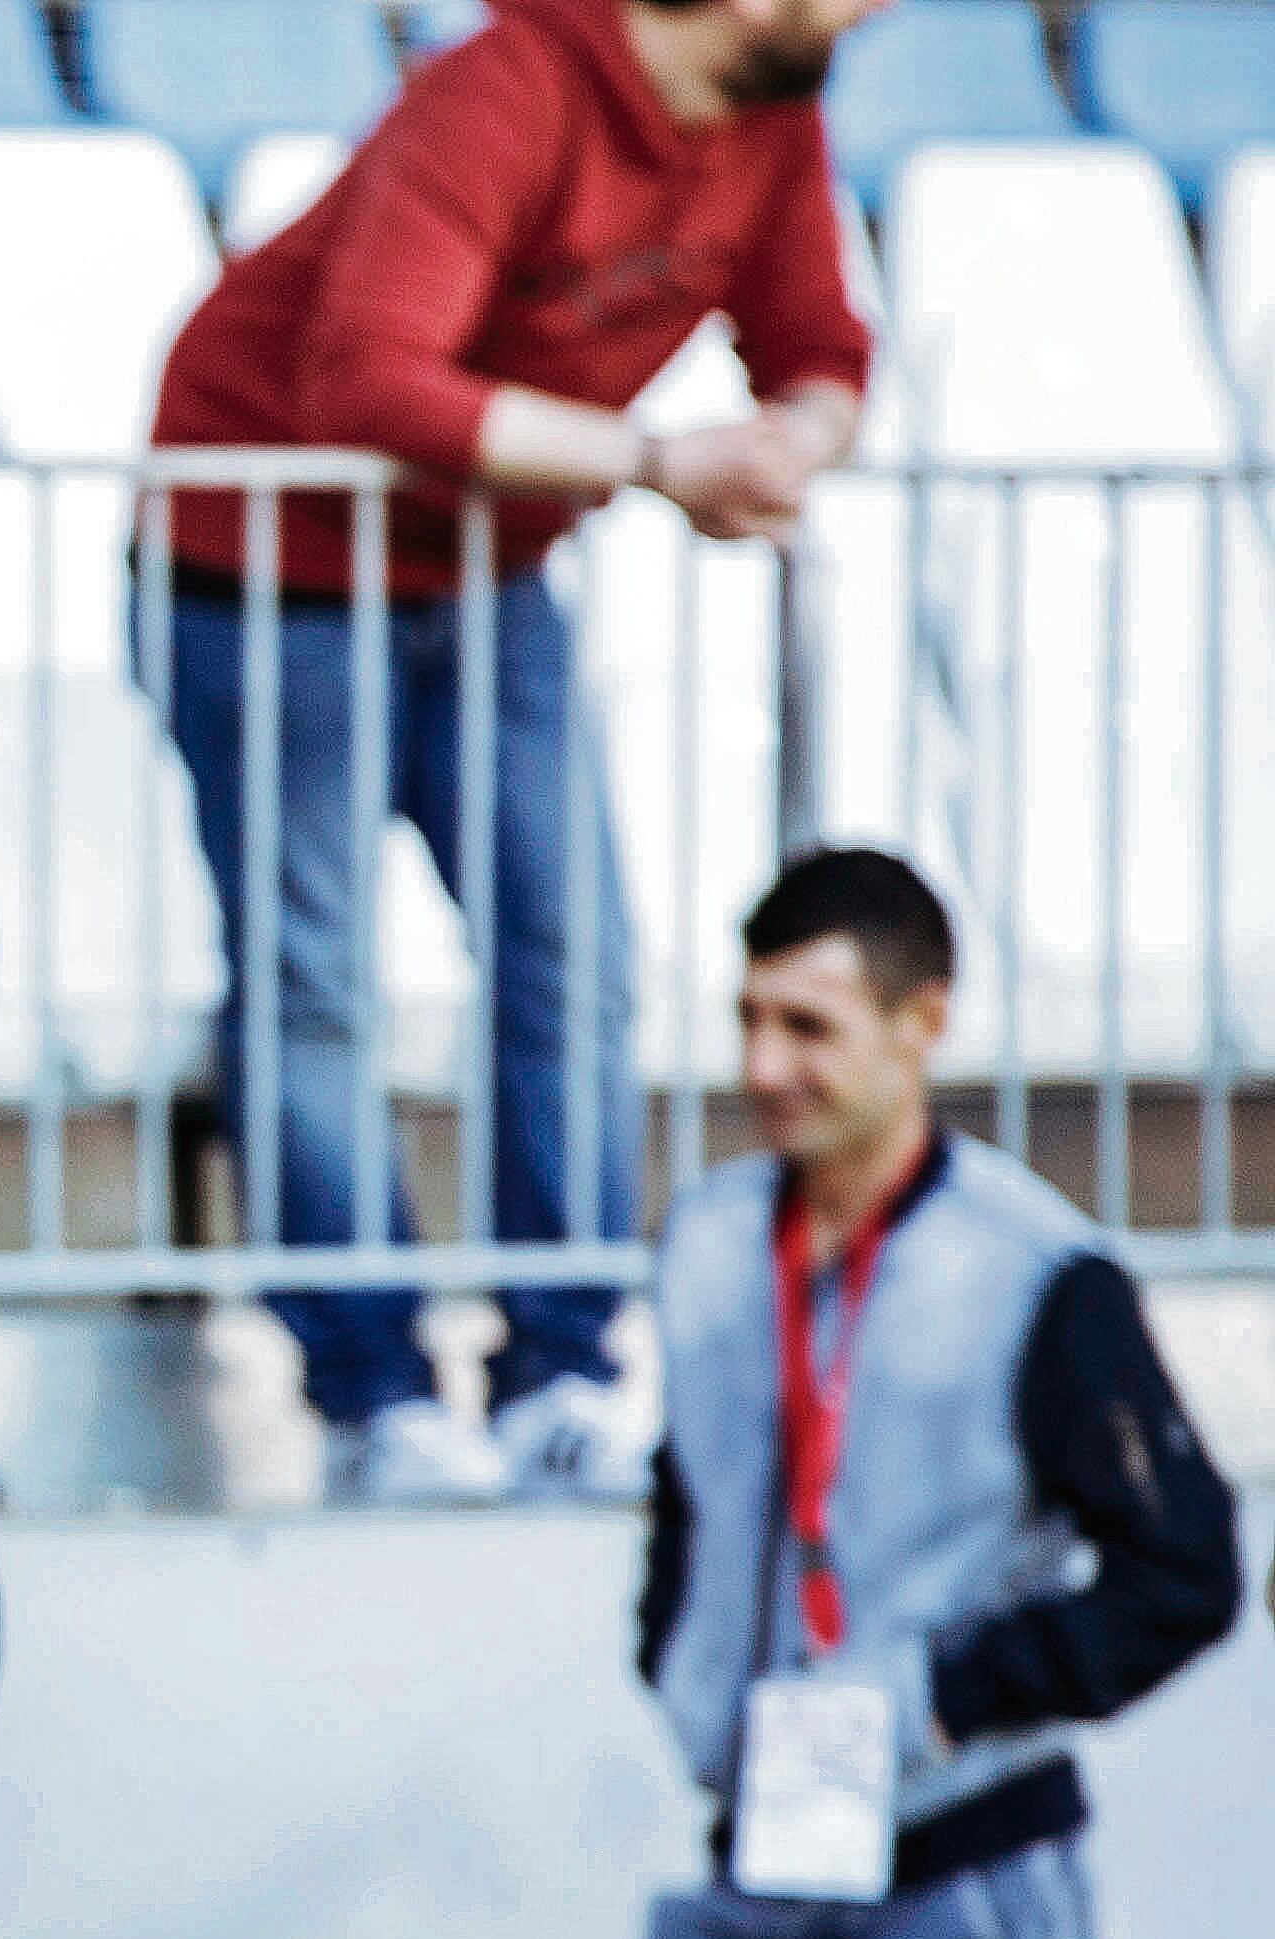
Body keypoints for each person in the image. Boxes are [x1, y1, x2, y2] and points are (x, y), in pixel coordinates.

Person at [143, 0, 889, 1502]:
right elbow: (366, 377)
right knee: (316, 983)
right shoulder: (511, 85)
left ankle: (566, 1371)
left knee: (577, 963)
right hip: (269, 565)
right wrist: (660, 461)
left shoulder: (768, 113)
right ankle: (375, 1399)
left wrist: (789, 445)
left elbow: (820, 350)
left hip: (480, 574)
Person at [632, 847, 1245, 1939]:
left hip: (972, 1882)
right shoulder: (708, 1243)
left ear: (923, 1025)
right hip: (754, 1873)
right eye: (748, 1019)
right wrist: (680, 1673)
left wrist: (947, 1693)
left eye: (810, 1024)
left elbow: (1184, 1571)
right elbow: (695, 1497)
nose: (768, 1064)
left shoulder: (1034, 1275)